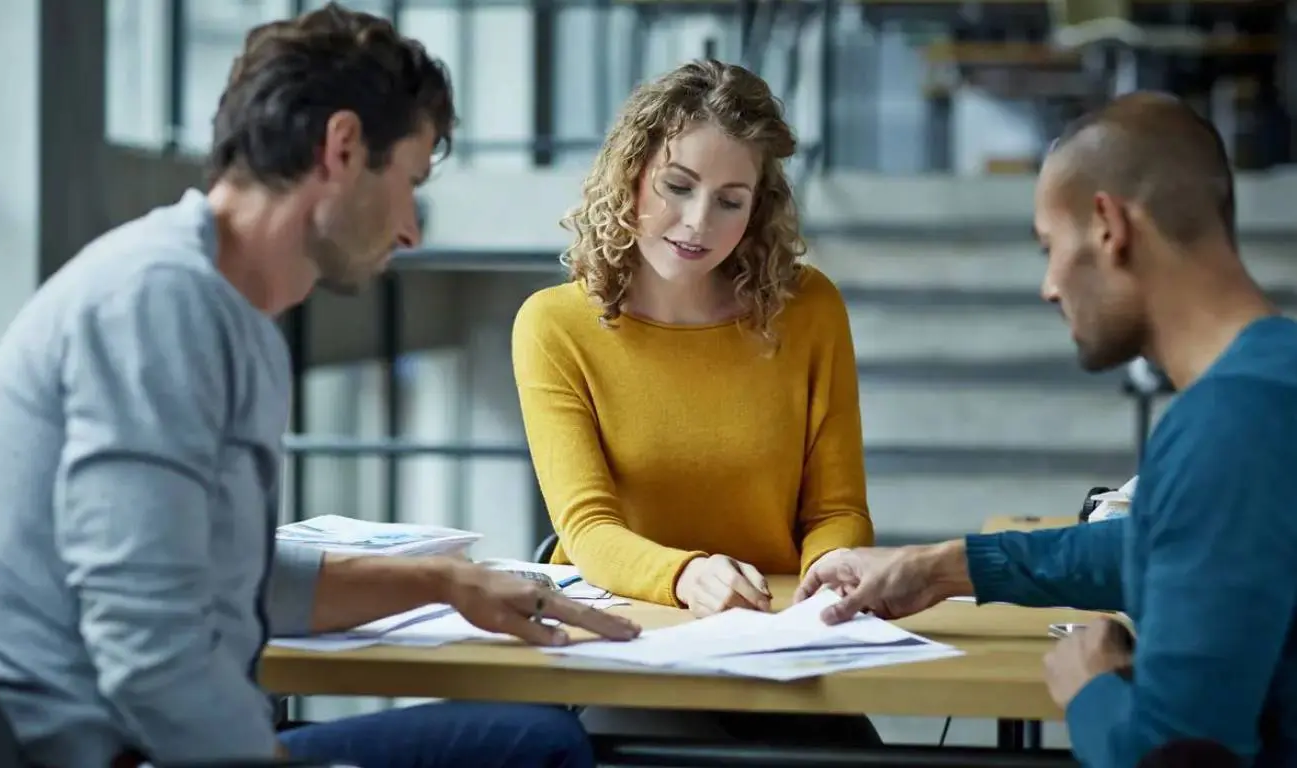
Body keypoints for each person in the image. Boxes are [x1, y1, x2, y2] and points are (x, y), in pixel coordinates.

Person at [0, 5, 639, 768]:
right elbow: (148, 654)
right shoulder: (156, 305)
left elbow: (226, 578)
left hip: (155, 738)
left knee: (533, 739)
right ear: (340, 148)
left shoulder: (227, 311)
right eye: (408, 181)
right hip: (103, 753)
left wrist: (447, 582)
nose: (411, 229)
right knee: (534, 751)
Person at [795, 91, 1297, 767]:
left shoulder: (1224, 428)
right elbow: (1172, 548)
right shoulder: (1274, 377)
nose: (1049, 285)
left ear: (1106, 225)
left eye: (1048, 247)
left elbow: (1173, 756)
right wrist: (943, 568)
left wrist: (1089, 689)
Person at [511, 59, 878, 745]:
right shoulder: (552, 325)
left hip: (779, 638)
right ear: (630, 173)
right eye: (677, 186)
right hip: (630, 640)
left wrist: (827, 582)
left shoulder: (808, 309)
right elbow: (587, 528)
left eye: (729, 200)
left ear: (757, 208)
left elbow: (837, 510)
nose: (696, 222)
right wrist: (686, 576)